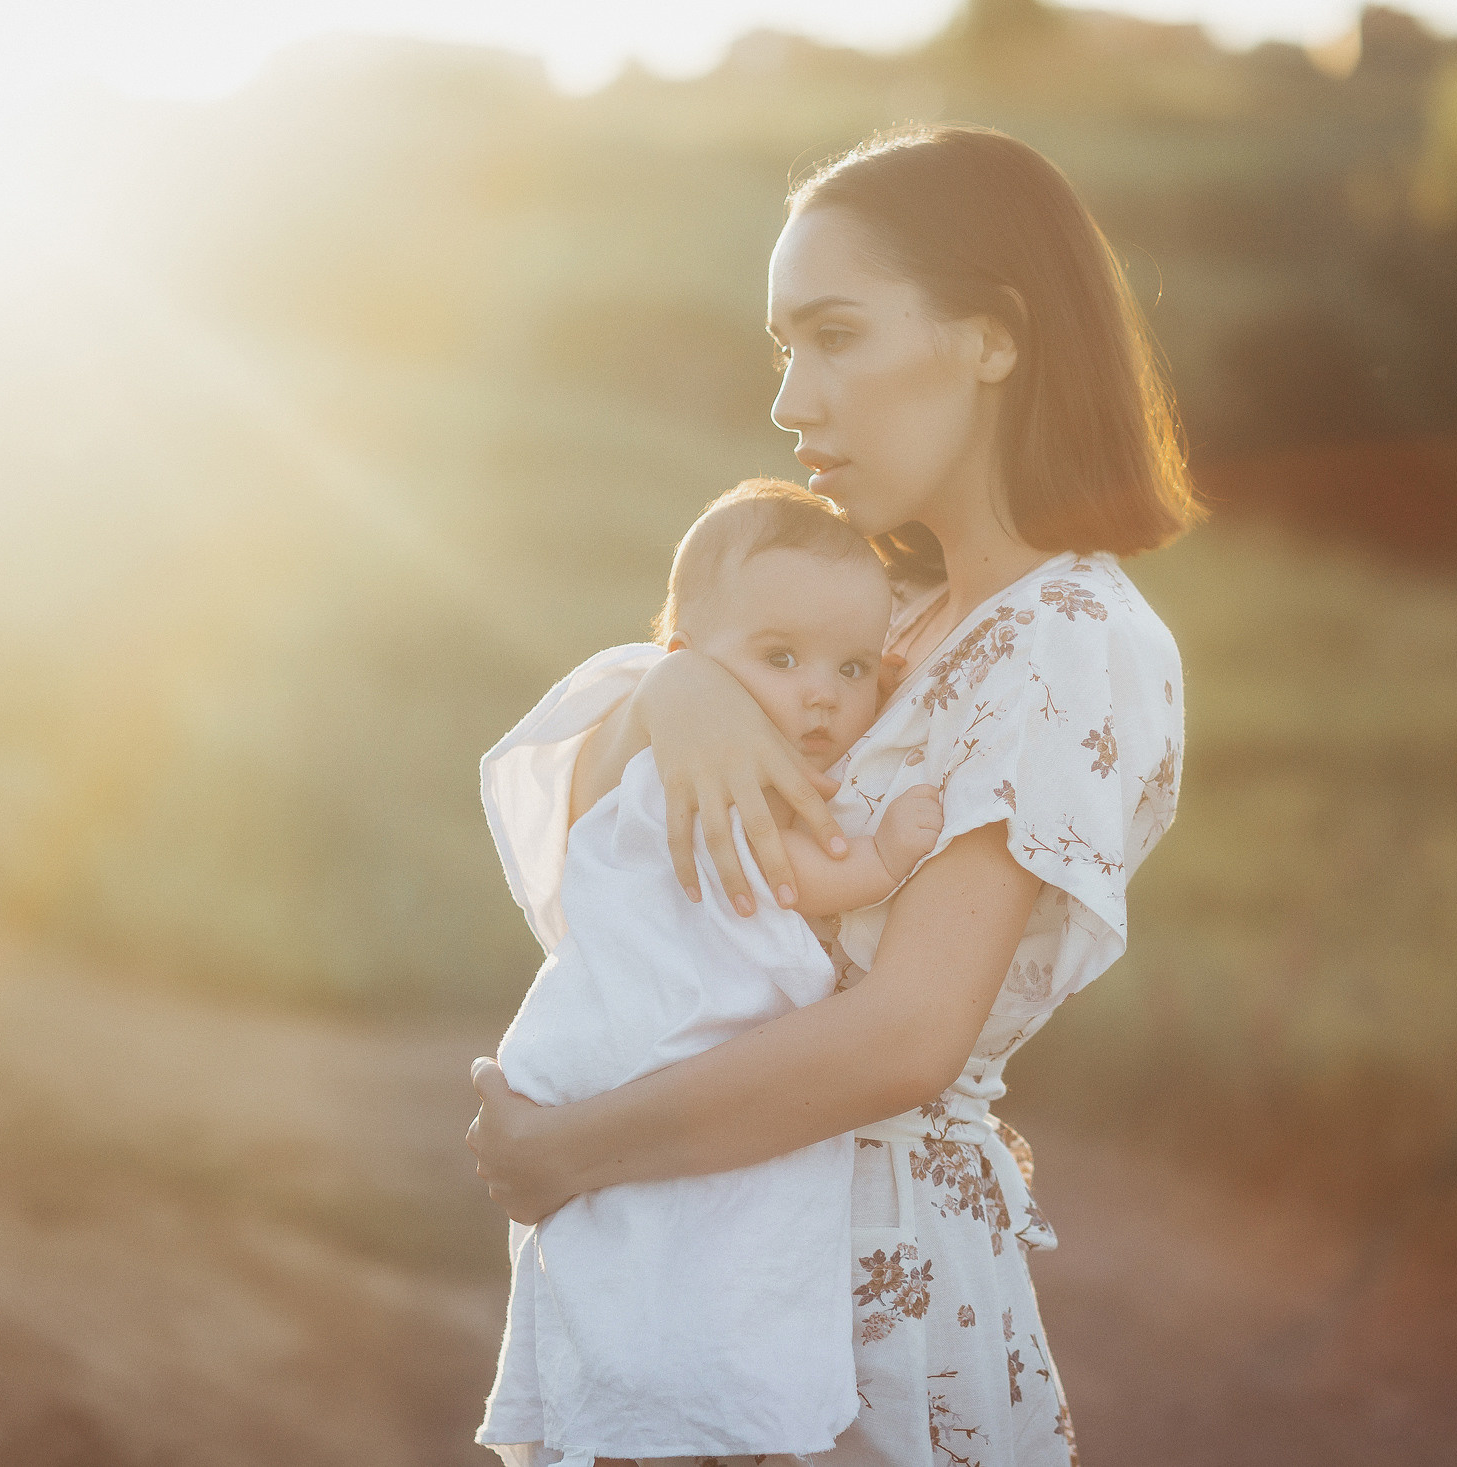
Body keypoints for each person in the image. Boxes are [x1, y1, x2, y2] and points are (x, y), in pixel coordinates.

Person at [469, 122, 1201, 1467]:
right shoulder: (880, 621)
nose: (793, 399)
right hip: (698, 1249)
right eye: (782, 348)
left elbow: (905, 1036)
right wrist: (671, 690)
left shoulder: (1073, 639)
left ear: (992, 337)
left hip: (860, 1285)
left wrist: (568, 1149)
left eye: (836, 334)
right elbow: (613, 882)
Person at [477, 480, 944, 1466]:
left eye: (853, 668)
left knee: (642, 1301)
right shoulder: (718, 767)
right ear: (687, 654)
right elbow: (807, 875)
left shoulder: (666, 740)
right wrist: (889, 855)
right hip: (669, 1056)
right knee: (696, 1298)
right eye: (780, 659)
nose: (821, 693)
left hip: (631, 1064)